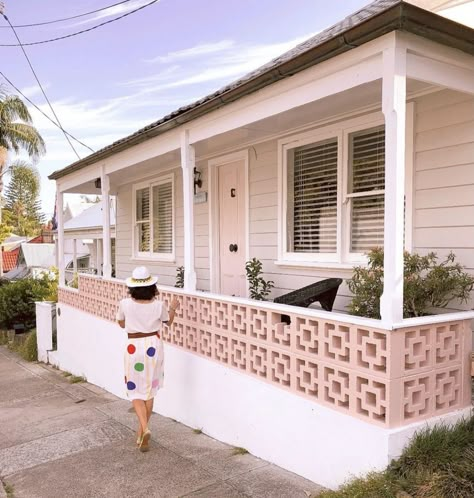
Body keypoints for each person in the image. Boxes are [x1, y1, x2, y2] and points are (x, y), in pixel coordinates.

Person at [116, 266, 179, 452]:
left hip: (133, 346)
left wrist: (132, 320)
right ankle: (141, 432)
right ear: (152, 287)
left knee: (135, 390)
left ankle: (144, 429)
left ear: (132, 287)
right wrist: (173, 308)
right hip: (153, 345)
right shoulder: (159, 305)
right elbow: (169, 322)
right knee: (149, 391)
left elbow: (121, 324)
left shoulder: (125, 304)